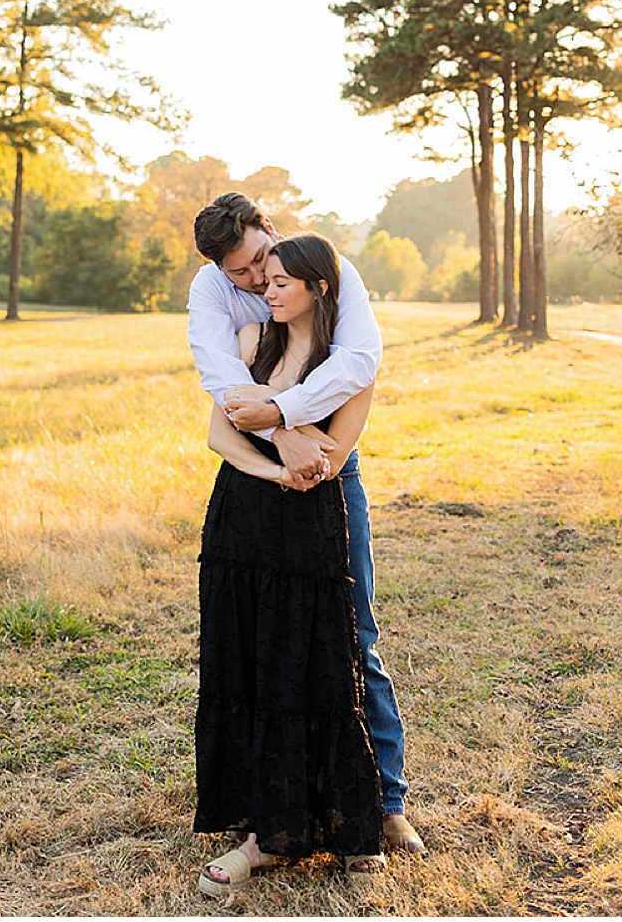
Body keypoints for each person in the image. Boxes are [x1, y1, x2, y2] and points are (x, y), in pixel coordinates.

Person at [186, 193, 425, 859]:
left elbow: (356, 365)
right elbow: (225, 386)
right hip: (262, 479)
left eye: (262, 259)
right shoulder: (214, 298)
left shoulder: (332, 273)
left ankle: (388, 803)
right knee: (262, 645)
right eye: (241, 273)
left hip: (325, 473)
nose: (258, 280)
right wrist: (281, 431)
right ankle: (270, 798)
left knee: (356, 633)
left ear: (273, 228)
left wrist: (286, 418)